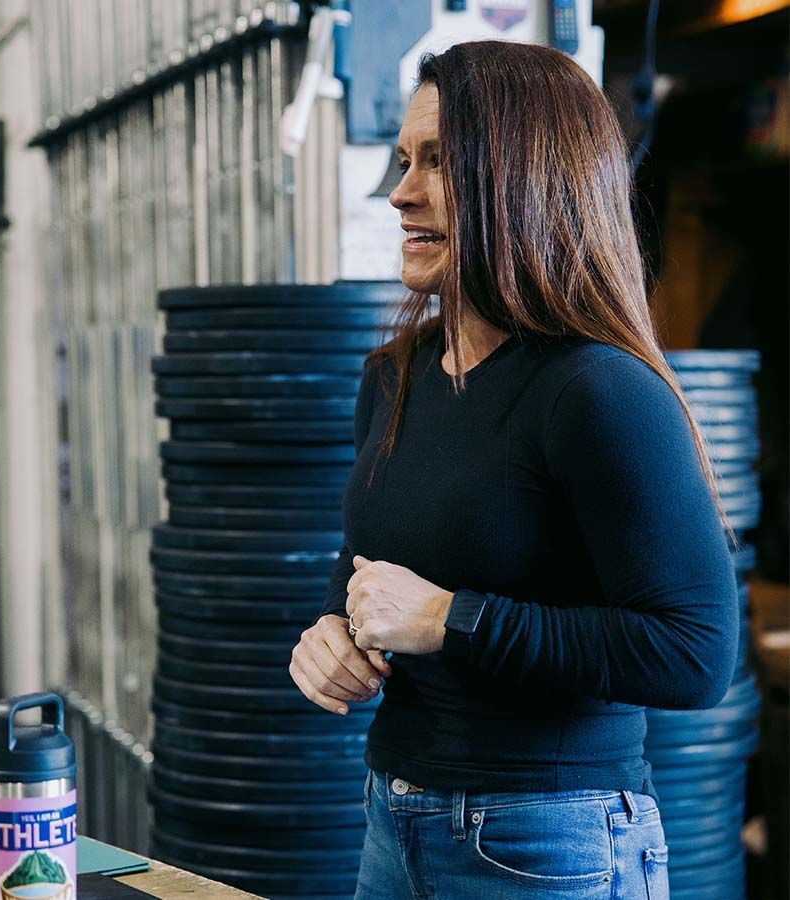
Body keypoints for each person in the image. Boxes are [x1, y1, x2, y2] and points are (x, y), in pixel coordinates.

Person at [288, 39, 739, 900]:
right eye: (404, 160)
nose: (401, 193)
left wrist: (454, 620)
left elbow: (697, 651)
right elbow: (371, 569)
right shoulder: (395, 375)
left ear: (524, 182)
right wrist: (332, 636)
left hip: (548, 841)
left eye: (439, 165)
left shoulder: (598, 389)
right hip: (393, 820)